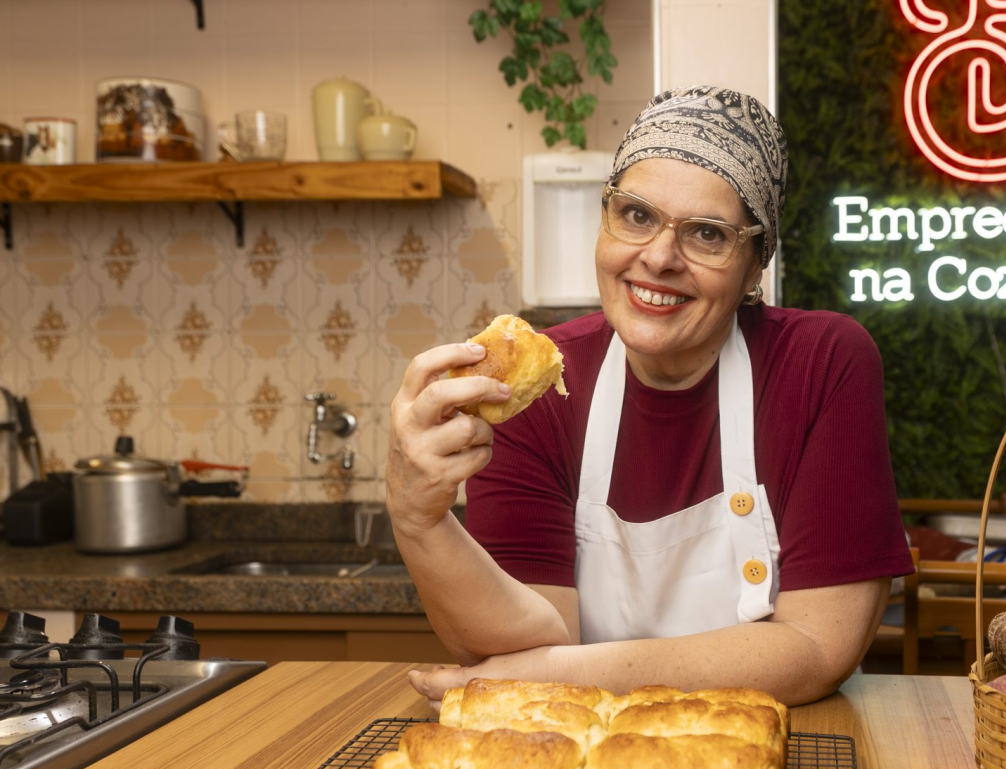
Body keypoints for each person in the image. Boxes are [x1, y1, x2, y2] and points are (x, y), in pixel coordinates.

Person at [386, 86, 912, 706]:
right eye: (636, 215)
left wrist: (553, 674)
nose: (659, 258)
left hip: (768, 746)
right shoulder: (538, 387)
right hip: (585, 755)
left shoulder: (822, 363)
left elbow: (818, 649)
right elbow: (520, 640)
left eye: (708, 234)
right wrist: (419, 520)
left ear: (754, 266)